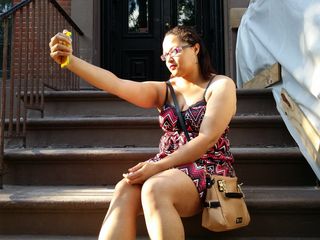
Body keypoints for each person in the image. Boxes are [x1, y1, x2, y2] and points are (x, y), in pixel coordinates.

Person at [49, 26, 237, 240]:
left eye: (175, 51)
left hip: (208, 167)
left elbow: (207, 139)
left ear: (195, 49)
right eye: (165, 55)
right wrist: (70, 61)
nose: (169, 59)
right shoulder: (165, 90)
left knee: (155, 188)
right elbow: (116, 84)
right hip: (167, 167)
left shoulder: (220, 85)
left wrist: (156, 167)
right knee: (124, 189)